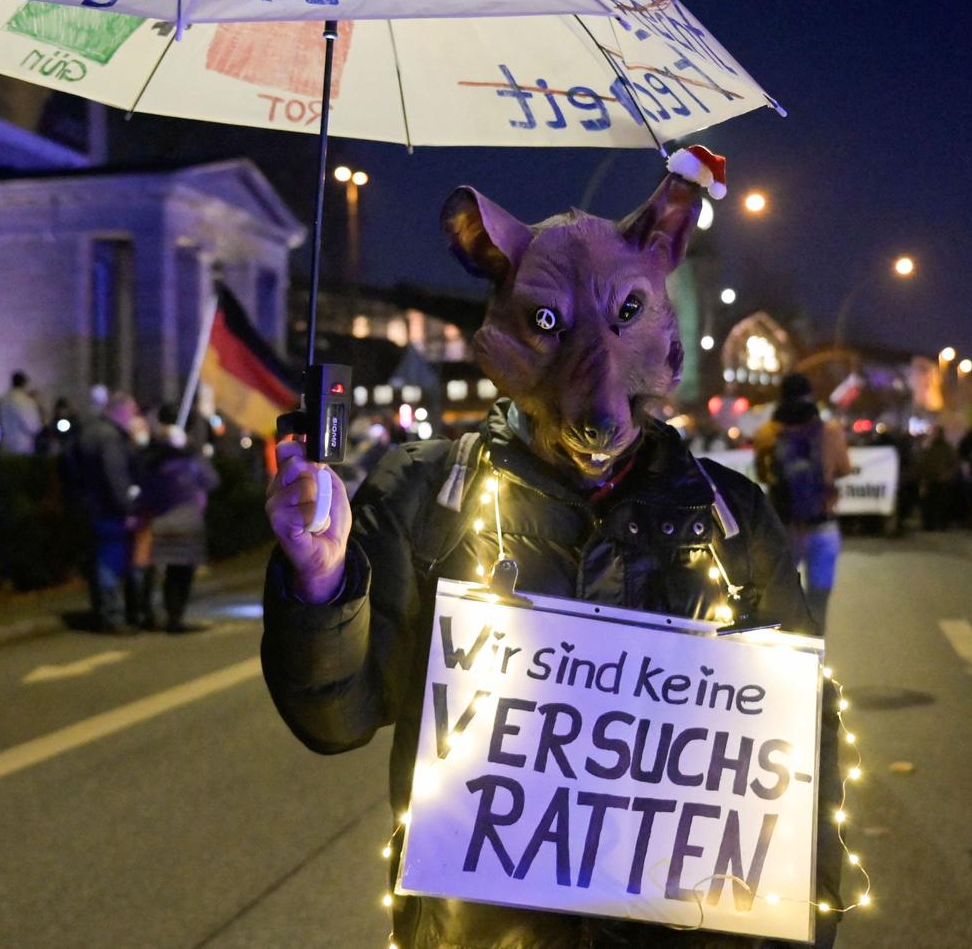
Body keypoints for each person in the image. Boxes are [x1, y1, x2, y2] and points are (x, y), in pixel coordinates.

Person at [263, 167, 844, 946]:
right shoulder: (428, 494)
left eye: (624, 313)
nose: (596, 384)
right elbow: (336, 716)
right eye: (549, 322)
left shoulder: (729, 517)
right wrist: (323, 579)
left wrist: (810, 907)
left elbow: (798, 740)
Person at [755, 373, 853, 633]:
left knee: (780, 598)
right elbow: (844, 468)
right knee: (818, 599)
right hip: (823, 527)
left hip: (785, 527)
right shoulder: (830, 431)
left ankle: (784, 657)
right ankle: (814, 661)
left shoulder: (767, 433)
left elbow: (763, 475)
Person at [72, 393, 142, 634]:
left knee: (103, 561)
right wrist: (128, 508)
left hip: (93, 507)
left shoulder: (89, 432)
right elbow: (116, 477)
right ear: (121, 411)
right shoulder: (111, 438)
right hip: (110, 510)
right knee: (110, 564)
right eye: (132, 412)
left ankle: (105, 613)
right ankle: (112, 617)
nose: (134, 418)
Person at [139, 424, 219, 632]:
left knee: (168, 572)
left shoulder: (153, 465)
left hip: (163, 524)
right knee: (184, 572)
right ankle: (176, 616)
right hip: (189, 524)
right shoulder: (192, 463)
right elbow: (212, 481)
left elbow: (147, 496)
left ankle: (163, 613)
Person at [0, 371, 44, 454]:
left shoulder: (3, 400)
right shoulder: (26, 401)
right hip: (23, 445)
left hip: (7, 443)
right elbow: (33, 426)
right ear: (24, 383)